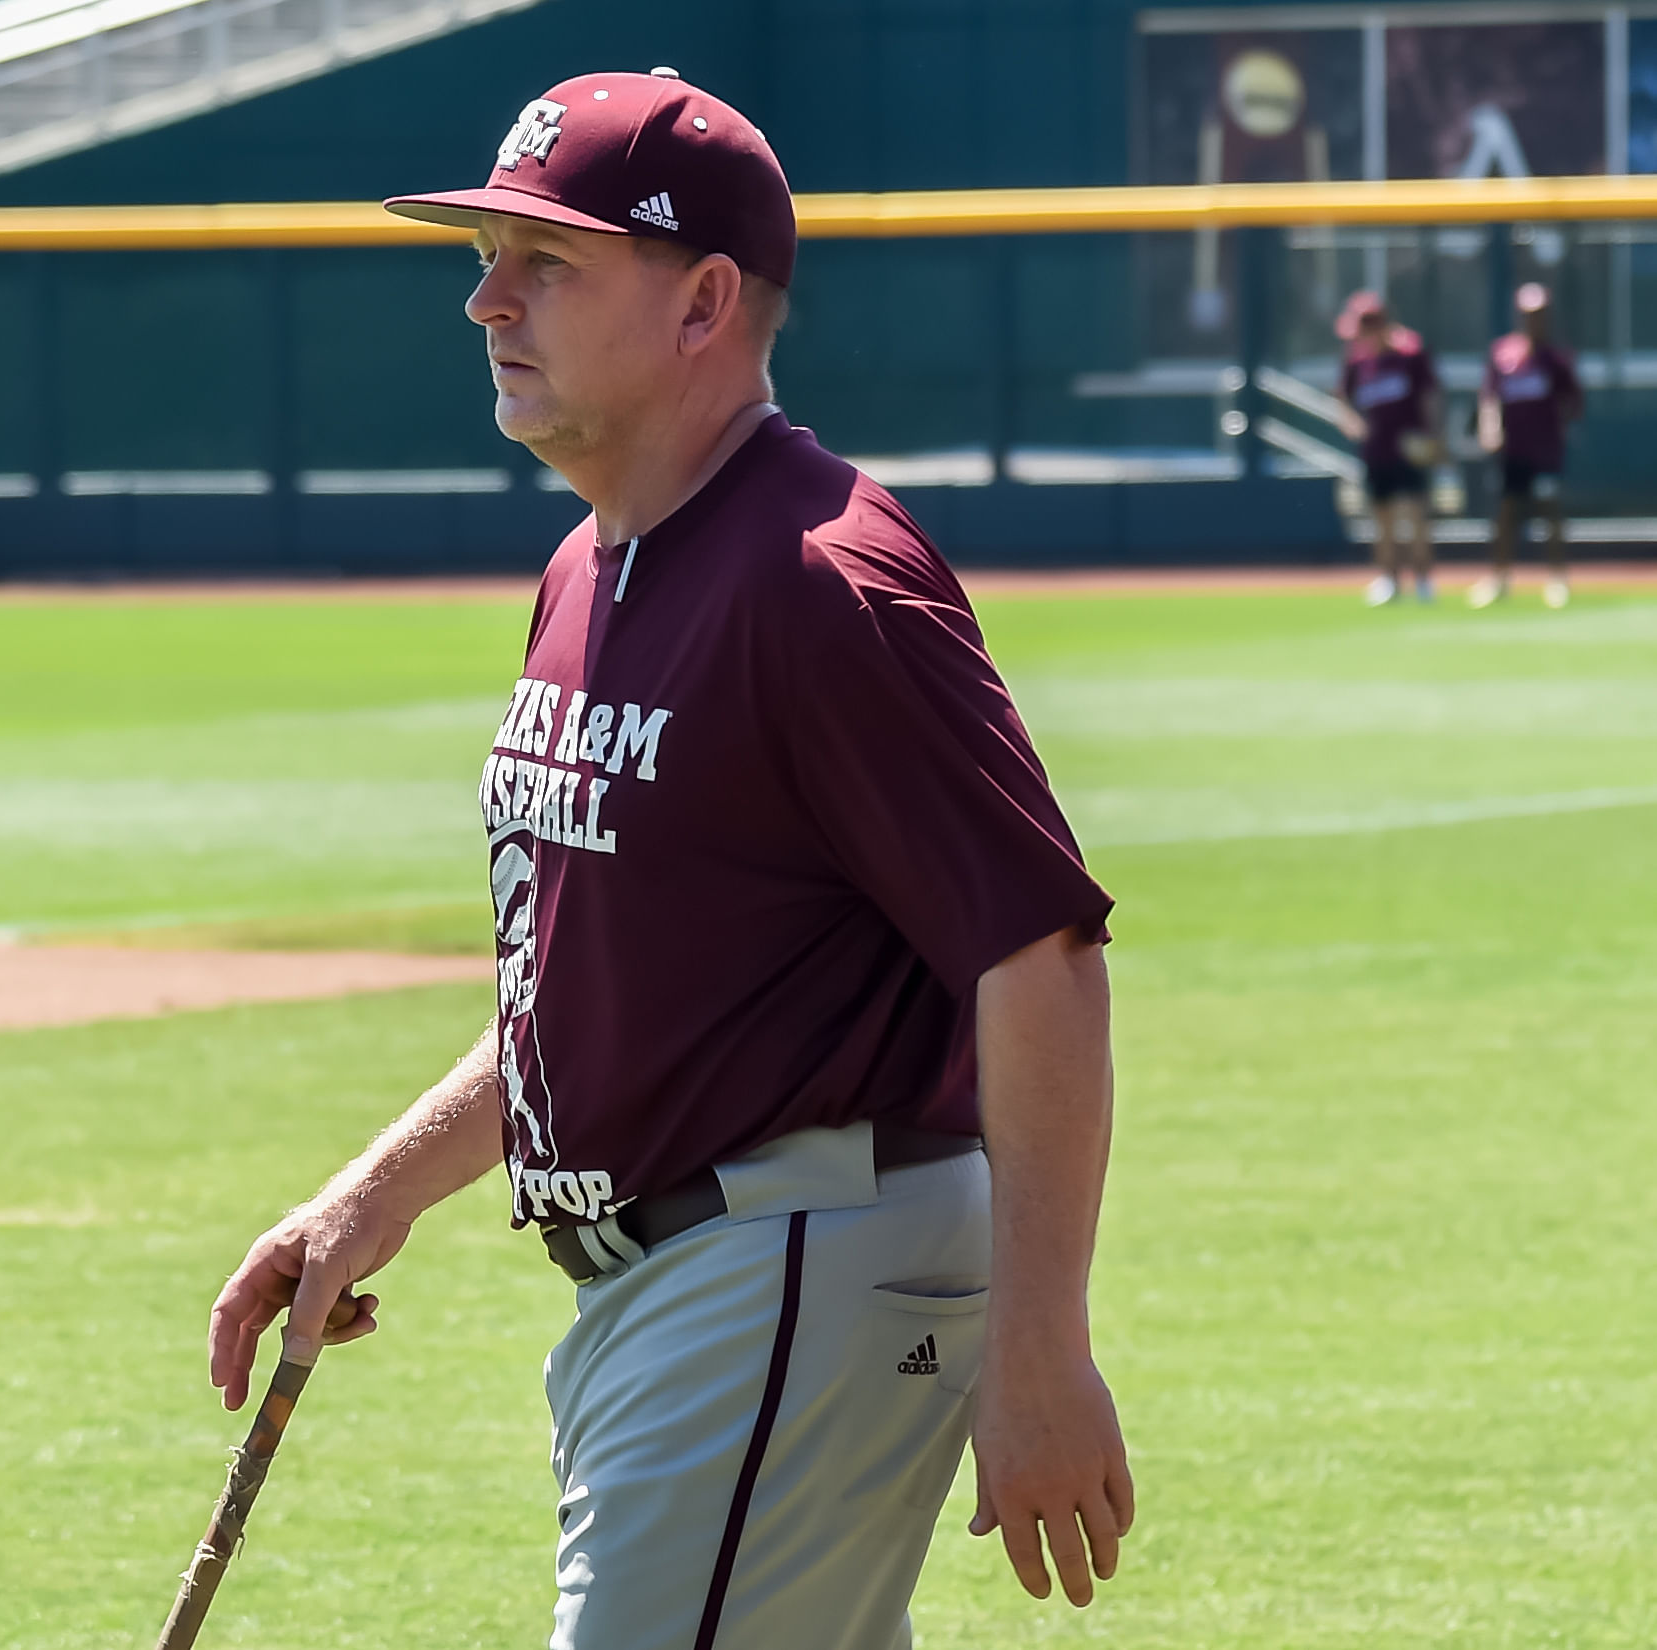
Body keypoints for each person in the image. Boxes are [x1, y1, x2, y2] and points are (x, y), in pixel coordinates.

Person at [206, 69, 1134, 1650]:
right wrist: (380, 1190)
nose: (488, 298)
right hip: (689, 1280)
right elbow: (606, 985)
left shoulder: (825, 583)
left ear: (706, 302)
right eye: (489, 256)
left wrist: (1042, 1343)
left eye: (548, 262)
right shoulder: (594, 561)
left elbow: (1038, 953)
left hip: (786, 1264)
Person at [1473, 282, 1585, 609]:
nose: (1533, 319)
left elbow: (1574, 402)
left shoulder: (1556, 358)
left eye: (1539, 314)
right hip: (1513, 452)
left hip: (1546, 450)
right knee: (1507, 513)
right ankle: (1500, 578)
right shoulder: (1503, 353)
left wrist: (1558, 428)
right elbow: (1489, 398)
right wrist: (1490, 428)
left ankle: (1557, 579)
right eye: (1527, 313)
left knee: (1550, 511)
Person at [1333, 290, 1443, 606]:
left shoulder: (1410, 353)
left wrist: (1433, 437)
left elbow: (1430, 396)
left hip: (1410, 451)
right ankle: (1390, 580)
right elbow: (1343, 401)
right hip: (1376, 452)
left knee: (1415, 517)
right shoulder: (1357, 361)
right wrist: (1353, 424)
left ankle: (1423, 581)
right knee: (1382, 521)